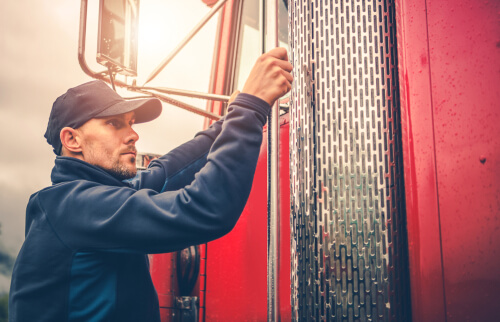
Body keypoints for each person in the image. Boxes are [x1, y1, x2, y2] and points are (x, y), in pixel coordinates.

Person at [9, 47, 293, 322]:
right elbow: (205, 208)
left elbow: (166, 172)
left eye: (131, 123)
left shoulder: (93, 201)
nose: (133, 135)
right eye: (114, 124)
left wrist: (230, 118)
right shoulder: (72, 207)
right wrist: (250, 107)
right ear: (72, 140)